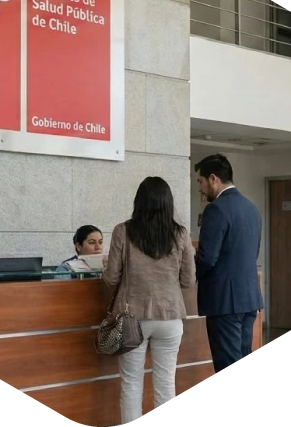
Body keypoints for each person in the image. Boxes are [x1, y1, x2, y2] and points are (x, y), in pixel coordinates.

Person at [103, 176, 196, 426]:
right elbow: (189, 280)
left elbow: (111, 278)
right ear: (168, 203)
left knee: (131, 384)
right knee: (166, 384)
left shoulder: (123, 231)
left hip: (132, 318)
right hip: (170, 317)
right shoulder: (181, 234)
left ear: (139, 201)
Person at [194, 153, 264, 375]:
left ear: (213, 178)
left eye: (200, 182)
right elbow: (252, 254)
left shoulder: (216, 209)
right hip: (248, 299)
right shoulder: (252, 209)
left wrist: (187, 269)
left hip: (224, 302)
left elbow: (206, 259)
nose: (199, 189)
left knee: (227, 363)